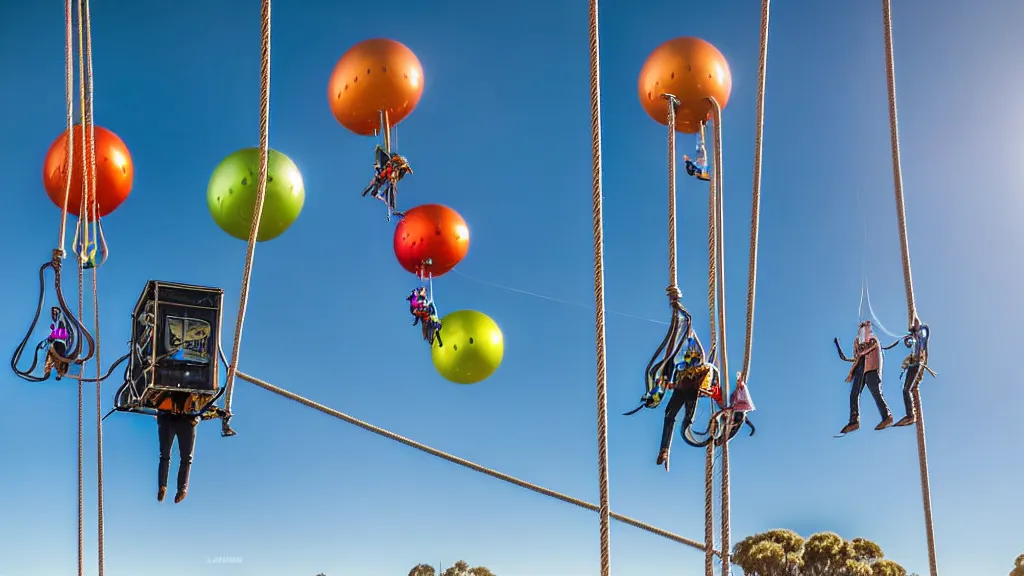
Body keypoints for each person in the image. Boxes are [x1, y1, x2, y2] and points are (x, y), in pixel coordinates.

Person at [157, 392, 228, 503]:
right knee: (170, 455)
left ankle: (179, 489)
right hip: (171, 418)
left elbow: (206, 406)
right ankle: (164, 486)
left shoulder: (199, 388)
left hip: (184, 420)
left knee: (180, 457)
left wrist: (219, 413)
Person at [834, 320, 894, 434]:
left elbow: (868, 348)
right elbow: (858, 356)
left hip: (870, 366)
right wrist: (852, 371)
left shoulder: (872, 338)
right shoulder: (858, 341)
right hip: (861, 367)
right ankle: (854, 420)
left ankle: (887, 416)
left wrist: (853, 369)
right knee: (854, 393)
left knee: (875, 390)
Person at [895, 320, 931, 427]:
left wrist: (916, 329)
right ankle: (909, 414)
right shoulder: (915, 339)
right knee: (905, 389)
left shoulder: (922, 334)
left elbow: (925, 331)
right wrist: (908, 339)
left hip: (918, 362)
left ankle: (910, 415)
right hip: (913, 363)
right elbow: (908, 343)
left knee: (907, 389)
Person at [42, 307, 71, 380]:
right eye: (53, 313)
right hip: (56, 345)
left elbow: (60, 329)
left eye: (55, 313)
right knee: (51, 356)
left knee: (57, 358)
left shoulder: (60, 321)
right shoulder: (56, 323)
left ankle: (56, 373)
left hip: (60, 343)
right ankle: (47, 372)